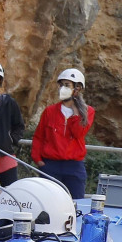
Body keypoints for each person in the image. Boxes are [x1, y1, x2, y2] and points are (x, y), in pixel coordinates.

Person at [30, 68, 95, 199]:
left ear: (77, 89)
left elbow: (78, 133)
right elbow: (39, 137)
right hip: (50, 165)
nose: (62, 88)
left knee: (76, 203)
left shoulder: (88, 112)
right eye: (61, 85)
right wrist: (38, 160)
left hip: (74, 166)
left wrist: (76, 114)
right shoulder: (50, 111)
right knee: (48, 202)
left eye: (67, 85)